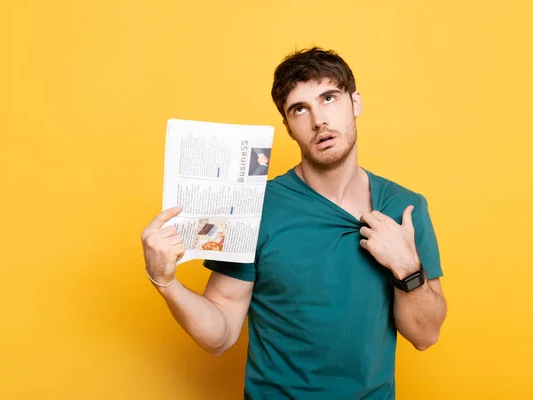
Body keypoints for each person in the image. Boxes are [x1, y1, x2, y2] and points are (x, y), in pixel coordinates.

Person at [141, 47, 447, 400]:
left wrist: (406, 267)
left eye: (329, 98)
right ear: (288, 127)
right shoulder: (254, 207)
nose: (319, 120)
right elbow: (220, 334)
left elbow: (426, 336)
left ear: (355, 103)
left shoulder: (404, 208)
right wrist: (165, 282)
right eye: (300, 109)